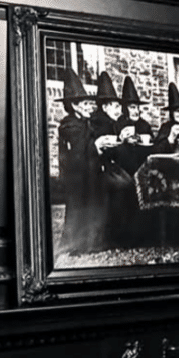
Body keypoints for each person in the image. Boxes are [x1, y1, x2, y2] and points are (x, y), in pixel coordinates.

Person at [57, 69, 104, 255]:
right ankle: (75, 244)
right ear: (75, 106)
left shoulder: (85, 122)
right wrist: (97, 145)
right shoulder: (69, 125)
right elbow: (78, 150)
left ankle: (91, 242)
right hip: (75, 174)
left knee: (91, 205)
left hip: (87, 171)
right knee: (77, 208)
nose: (89, 107)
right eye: (85, 103)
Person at [90, 70, 136, 249]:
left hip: (113, 167)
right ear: (105, 107)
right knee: (123, 187)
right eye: (115, 106)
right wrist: (120, 141)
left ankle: (124, 234)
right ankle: (115, 237)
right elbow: (104, 150)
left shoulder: (114, 122)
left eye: (119, 106)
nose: (119, 109)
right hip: (100, 168)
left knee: (130, 184)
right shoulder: (98, 123)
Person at [154, 83, 179, 153]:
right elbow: (157, 151)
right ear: (172, 113)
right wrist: (171, 137)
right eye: (177, 111)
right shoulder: (165, 128)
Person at [114, 76, 154, 142]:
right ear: (125, 109)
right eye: (132, 107)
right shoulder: (117, 124)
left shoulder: (145, 125)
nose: (136, 111)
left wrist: (147, 138)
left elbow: (154, 146)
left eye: (137, 108)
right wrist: (120, 138)